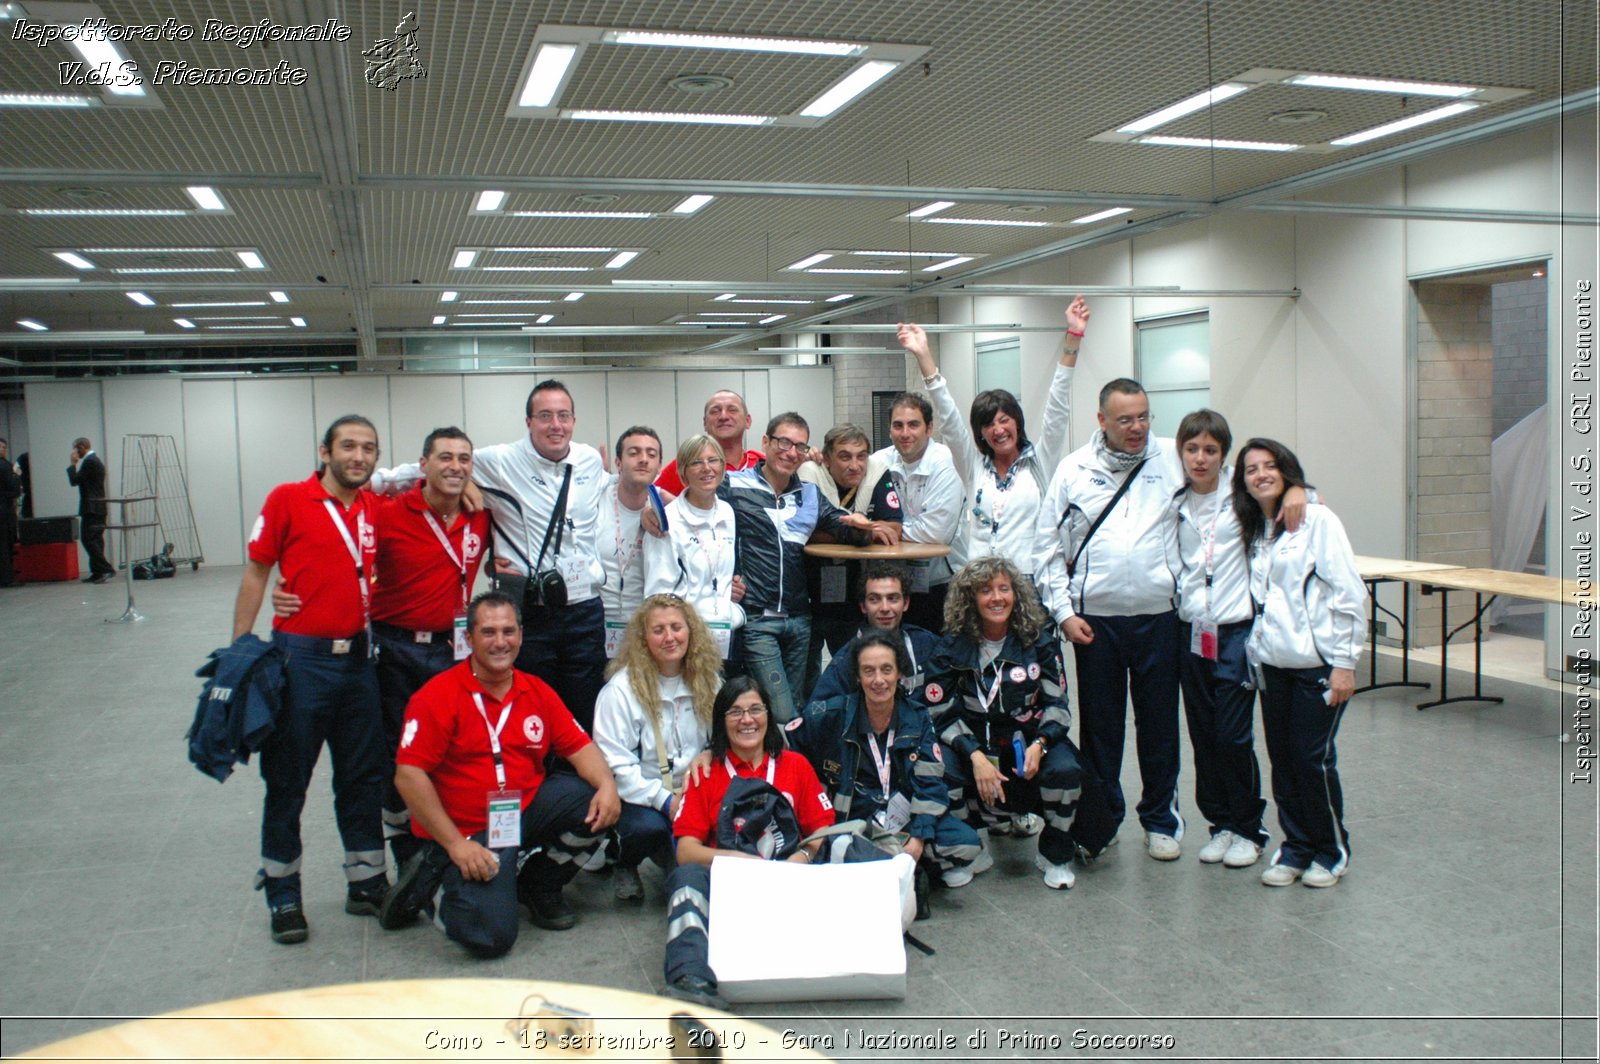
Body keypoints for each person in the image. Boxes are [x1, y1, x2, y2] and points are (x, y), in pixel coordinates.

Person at [380, 591, 621, 955]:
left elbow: (580, 747)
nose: (500, 642)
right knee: (490, 938)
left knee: (599, 807)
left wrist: (606, 785)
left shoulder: (536, 690)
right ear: (468, 638)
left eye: (508, 631)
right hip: (466, 831)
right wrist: (456, 844)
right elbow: (408, 776)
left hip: (520, 813)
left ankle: (537, 885)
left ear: (521, 636)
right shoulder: (436, 696)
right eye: (489, 632)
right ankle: (434, 881)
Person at [373, 380, 609, 731]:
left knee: (585, 708)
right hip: (533, 611)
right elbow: (439, 468)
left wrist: (659, 501)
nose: (555, 425)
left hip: (585, 611)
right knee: (531, 707)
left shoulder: (589, 459)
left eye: (563, 416)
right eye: (544, 416)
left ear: (574, 420)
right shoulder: (500, 460)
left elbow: (618, 490)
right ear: (528, 422)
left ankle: (577, 786)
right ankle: (536, 783)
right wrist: (371, 481)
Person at [232, 415, 388, 943]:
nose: (358, 457)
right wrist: (242, 647)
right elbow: (257, 569)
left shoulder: (372, 506)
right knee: (288, 779)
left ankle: (366, 881)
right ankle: (282, 892)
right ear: (325, 451)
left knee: (362, 776)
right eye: (348, 446)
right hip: (302, 663)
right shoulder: (287, 500)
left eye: (368, 449)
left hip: (360, 663)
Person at [1235, 439, 1366, 889]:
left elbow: (1349, 594)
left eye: (1270, 466)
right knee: (1284, 760)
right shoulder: (1260, 528)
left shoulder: (1318, 520)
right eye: (1251, 469)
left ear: (1287, 471)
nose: (1261, 475)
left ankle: (1331, 850)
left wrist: (1344, 664)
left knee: (1312, 760)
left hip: (1319, 667)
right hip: (1274, 666)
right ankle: (1296, 847)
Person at [661, 676, 834, 1008]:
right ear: (720, 722)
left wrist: (801, 859)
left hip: (789, 880)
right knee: (686, 879)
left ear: (768, 715)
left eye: (755, 709)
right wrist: (738, 862)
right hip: (730, 887)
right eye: (735, 712)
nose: (747, 720)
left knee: (841, 847)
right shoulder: (706, 773)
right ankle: (689, 979)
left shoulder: (794, 765)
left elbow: (822, 831)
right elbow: (685, 851)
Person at [925, 556, 1087, 889]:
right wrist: (974, 755)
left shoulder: (1039, 640)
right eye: (985, 590)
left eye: (1004, 589)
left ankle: (1054, 854)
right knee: (939, 768)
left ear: (1017, 594)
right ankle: (971, 848)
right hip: (973, 742)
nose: (996, 598)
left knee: (1066, 769)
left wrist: (1041, 745)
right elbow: (939, 711)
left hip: (1026, 740)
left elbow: (1058, 706)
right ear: (971, 598)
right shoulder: (951, 644)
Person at [897, 295, 1088, 576]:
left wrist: (1073, 338)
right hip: (980, 579)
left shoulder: (1039, 464)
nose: (998, 430)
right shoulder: (973, 468)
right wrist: (923, 356)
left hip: (1029, 579)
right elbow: (949, 418)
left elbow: (1057, 409)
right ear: (981, 433)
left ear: (1017, 423)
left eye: (1004, 420)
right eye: (988, 424)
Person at [722, 412, 892, 722]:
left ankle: (793, 768)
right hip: (758, 617)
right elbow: (695, 514)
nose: (790, 453)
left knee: (799, 706)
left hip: (800, 619)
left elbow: (843, 528)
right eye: (783, 442)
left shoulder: (808, 495)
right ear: (765, 443)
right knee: (784, 712)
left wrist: (863, 528)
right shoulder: (733, 486)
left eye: (800, 447)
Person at [789, 632, 983, 888]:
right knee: (841, 850)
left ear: (899, 673)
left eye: (886, 670)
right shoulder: (829, 714)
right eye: (868, 671)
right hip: (853, 821)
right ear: (857, 677)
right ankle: (892, 869)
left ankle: (894, 864)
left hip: (904, 820)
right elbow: (791, 751)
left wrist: (919, 838)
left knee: (967, 845)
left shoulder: (918, 717)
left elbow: (930, 782)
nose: (878, 680)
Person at [1171, 410, 1268, 868]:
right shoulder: (1177, 501)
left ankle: (1250, 827)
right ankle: (1221, 824)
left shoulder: (1244, 496)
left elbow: (1288, 490)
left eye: (1210, 450)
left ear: (1224, 454)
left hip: (1234, 632)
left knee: (1233, 736)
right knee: (1204, 735)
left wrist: (1305, 494)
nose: (1200, 458)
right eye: (1192, 449)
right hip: (1192, 633)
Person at [592, 594, 719, 901]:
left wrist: (711, 753)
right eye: (658, 630)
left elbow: (725, 739)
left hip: (694, 792)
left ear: (690, 631)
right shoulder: (620, 691)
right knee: (649, 830)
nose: (669, 637)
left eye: (676, 627)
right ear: (643, 638)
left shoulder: (710, 681)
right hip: (644, 799)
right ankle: (625, 860)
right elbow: (615, 765)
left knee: (703, 872)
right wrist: (664, 801)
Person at [798, 423, 903, 696]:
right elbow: (805, 530)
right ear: (827, 458)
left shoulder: (877, 473)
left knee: (851, 674)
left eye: (861, 456)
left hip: (853, 596)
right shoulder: (810, 473)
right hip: (808, 594)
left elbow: (894, 528)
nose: (855, 465)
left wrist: (843, 531)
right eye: (845, 456)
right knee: (806, 679)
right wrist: (861, 533)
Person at [642, 434, 745, 661]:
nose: (707, 468)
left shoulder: (728, 511)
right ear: (683, 472)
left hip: (727, 635)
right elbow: (659, 595)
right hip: (687, 640)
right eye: (696, 462)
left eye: (713, 460)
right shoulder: (666, 522)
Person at [873, 392, 965, 631]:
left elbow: (935, 534)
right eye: (898, 425)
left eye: (914, 425)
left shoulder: (946, 462)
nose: (905, 433)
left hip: (941, 583)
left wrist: (885, 529)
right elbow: (843, 470)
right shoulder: (880, 461)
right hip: (892, 585)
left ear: (929, 428)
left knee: (934, 657)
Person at [809, 561, 940, 705]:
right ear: (863, 606)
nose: (884, 608)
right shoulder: (846, 660)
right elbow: (817, 711)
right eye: (874, 599)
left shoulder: (927, 644)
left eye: (892, 598)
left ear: (906, 603)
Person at [598, 426, 663, 658]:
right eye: (634, 452)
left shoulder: (667, 509)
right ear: (618, 462)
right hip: (595, 624)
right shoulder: (597, 498)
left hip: (645, 628)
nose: (643, 460)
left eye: (651, 454)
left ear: (660, 466)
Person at [655, 389, 764, 495]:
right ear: (705, 423)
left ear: (748, 421)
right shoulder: (688, 465)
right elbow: (650, 498)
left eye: (732, 410)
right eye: (715, 411)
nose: (723, 416)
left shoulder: (764, 464)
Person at [67, 435, 114, 583]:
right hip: (98, 507)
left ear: (81, 448)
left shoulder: (89, 462)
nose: (75, 453)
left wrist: (72, 464)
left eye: (76, 450)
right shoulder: (94, 461)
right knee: (95, 540)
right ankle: (97, 571)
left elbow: (74, 481)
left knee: (89, 540)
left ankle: (106, 569)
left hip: (92, 508)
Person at [0, 437, 20, 587]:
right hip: (4, 511)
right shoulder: (5, 466)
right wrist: (16, 476)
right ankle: (7, 578)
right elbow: (14, 490)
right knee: (5, 544)